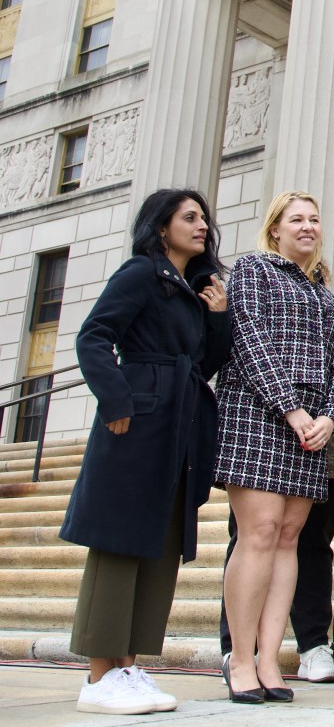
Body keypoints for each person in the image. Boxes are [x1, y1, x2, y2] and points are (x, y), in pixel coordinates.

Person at [61, 188, 230, 715]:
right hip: (136, 422)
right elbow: (94, 336)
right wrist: (118, 400)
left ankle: (129, 668)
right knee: (120, 539)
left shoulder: (191, 288)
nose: (202, 225)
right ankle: (99, 675)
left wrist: (219, 315)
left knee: (158, 543)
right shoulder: (140, 274)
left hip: (179, 426)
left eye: (204, 218)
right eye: (189, 217)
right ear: (161, 227)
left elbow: (204, 365)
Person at [214, 191, 334, 704]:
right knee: (260, 532)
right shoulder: (251, 269)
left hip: (312, 428)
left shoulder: (326, 294)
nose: (308, 227)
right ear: (275, 229)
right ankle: (242, 660)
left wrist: (329, 417)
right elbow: (246, 338)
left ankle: (272, 659)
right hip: (259, 415)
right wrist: (290, 407)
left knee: (290, 536)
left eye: (315, 219)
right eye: (297, 219)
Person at [216, 425, 334, 683]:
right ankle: (236, 651)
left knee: (315, 537)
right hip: (257, 425)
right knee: (252, 535)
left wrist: (329, 414)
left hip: (321, 433)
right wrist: (290, 408)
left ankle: (313, 643)